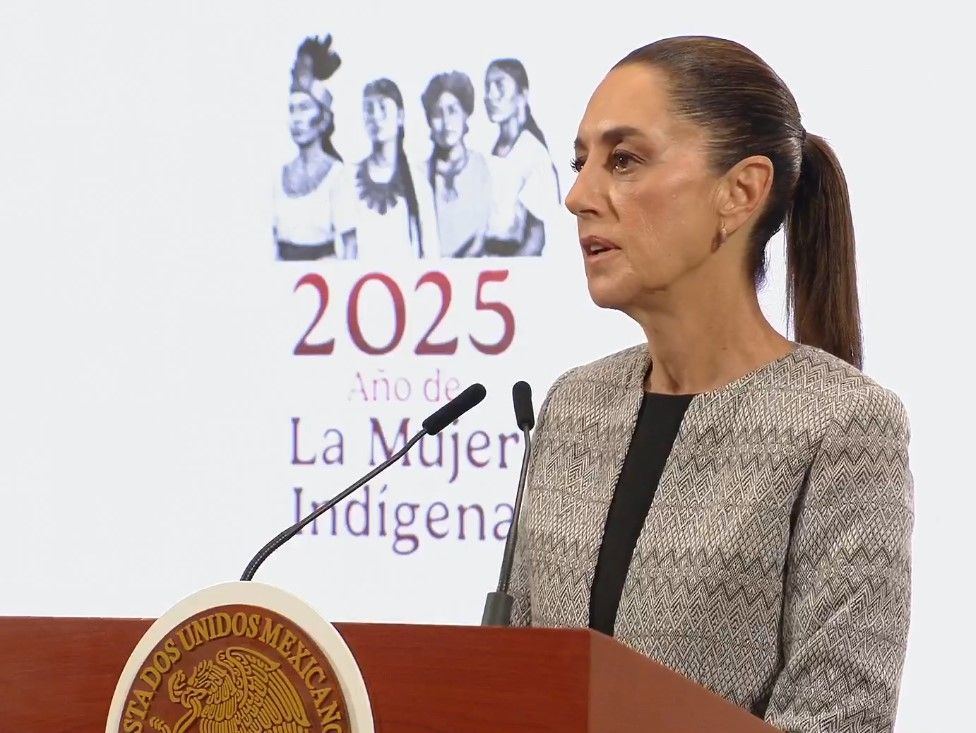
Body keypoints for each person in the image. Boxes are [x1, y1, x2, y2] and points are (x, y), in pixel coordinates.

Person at [508, 37, 913, 733]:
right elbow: (513, 679)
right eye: (581, 162)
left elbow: (839, 716)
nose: (577, 197)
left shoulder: (842, 424)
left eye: (623, 160)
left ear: (740, 192)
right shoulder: (573, 406)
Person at [273, 35, 356, 260]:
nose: (297, 119)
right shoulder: (278, 176)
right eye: (292, 110)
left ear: (323, 119)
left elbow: (350, 247)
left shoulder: (337, 175)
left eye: (304, 108)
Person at [347, 78, 438, 261]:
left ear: (400, 116)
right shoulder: (349, 178)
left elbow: (431, 252)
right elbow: (345, 251)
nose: (375, 117)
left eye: (383, 108)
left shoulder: (418, 182)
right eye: (368, 109)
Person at [482, 59, 561, 256]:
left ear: (522, 94)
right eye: (487, 87)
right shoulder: (489, 150)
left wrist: (511, 270)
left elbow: (536, 239)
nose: (490, 96)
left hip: (514, 259)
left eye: (500, 86)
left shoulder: (532, 153)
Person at [420, 71, 492, 257]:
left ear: (465, 114)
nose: (446, 122)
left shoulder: (483, 167)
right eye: (438, 114)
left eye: (452, 111)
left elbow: (485, 231)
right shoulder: (419, 174)